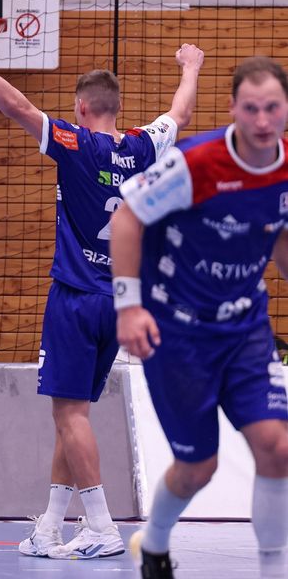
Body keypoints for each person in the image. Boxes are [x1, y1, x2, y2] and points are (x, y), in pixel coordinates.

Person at [0, 33, 204, 559]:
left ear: (82, 107)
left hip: (76, 297)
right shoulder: (143, 146)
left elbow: (16, 105)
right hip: (120, 301)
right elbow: (180, 112)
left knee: (70, 416)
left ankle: (102, 526)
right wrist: (190, 66)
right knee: (73, 412)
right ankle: (49, 528)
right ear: (116, 108)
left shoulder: (75, 143)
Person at [111, 56, 288, 578]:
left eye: (272, 108)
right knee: (198, 466)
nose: (262, 120)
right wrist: (129, 306)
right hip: (178, 333)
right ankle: (154, 542)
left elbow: (279, 232)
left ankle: (273, 569)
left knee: (277, 449)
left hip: (245, 327)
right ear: (232, 108)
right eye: (251, 108)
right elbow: (127, 219)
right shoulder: (196, 163)